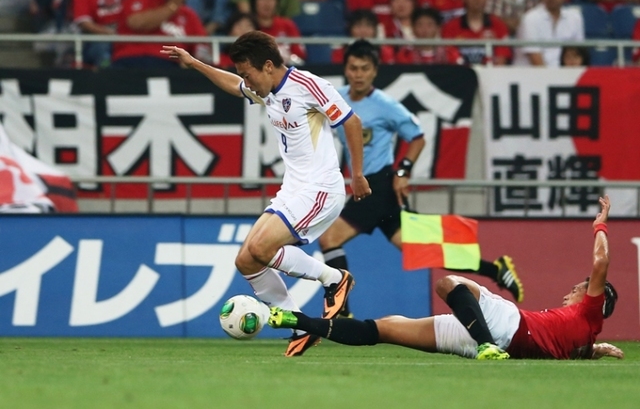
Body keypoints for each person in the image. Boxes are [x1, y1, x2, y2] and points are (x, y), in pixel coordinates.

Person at [160, 31, 372, 357]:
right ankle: (300, 327)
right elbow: (234, 85)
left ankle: (335, 278)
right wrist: (195, 63)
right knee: (246, 260)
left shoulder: (307, 85)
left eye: (249, 74)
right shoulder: (267, 91)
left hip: (320, 188)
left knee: (261, 248)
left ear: (269, 66)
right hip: (293, 189)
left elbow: (352, 121)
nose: (246, 81)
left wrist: (357, 175)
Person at [271, 195, 622, 361]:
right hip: (489, 338)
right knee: (385, 328)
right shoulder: (582, 339)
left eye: (581, 288)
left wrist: (600, 225)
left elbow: (601, 260)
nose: (572, 291)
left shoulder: (589, 314)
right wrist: (597, 351)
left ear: (598, 298)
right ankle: (296, 320)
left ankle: (485, 344)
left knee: (448, 284)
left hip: (507, 326)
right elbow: (568, 348)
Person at [319, 39, 523, 319]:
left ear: (375, 71)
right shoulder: (336, 99)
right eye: (353, 68)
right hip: (371, 188)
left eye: (365, 69)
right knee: (422, 249)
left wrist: (403, 172)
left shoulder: (386, 105)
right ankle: (496, 269)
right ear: (346, 69)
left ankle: (342, 312)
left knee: (329, 238)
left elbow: (417, 137)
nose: (358, 74)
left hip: (377, 186)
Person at [112, 0, 209, 68]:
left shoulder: (188, 15)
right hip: (130, 59)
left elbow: (202, 49)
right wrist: (173, 5)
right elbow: (135, 23)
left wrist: (193, 63)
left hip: (170, 65)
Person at [512, 0, 584, 67]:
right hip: (533, 73)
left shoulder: (575, 18)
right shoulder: (530, 19)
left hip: (564, 73)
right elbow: (536, 61)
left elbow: (578, 54)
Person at [441, 0, 512, 65]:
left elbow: (502, 58)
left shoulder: (499, 25)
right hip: (459, 71)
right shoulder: (450, 27)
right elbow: (449, 56)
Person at [250, 0, 306, 65]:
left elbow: (299, 54)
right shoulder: (247, 25)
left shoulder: (287, 24)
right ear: (254, 1)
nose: (267, 2)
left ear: (277, 2)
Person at [395, 6, 464, 64]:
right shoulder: (405, 55)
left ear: (438, 28)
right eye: (420, 25)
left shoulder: (450, 54)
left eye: (429, 25)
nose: (425, 30)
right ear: (413, 28)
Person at [330, 9, 395, 65]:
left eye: (368, 26)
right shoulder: (340, 53)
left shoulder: (385, 52)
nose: (363, 31)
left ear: (375, 30)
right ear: (350, 29)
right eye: (358, 26)